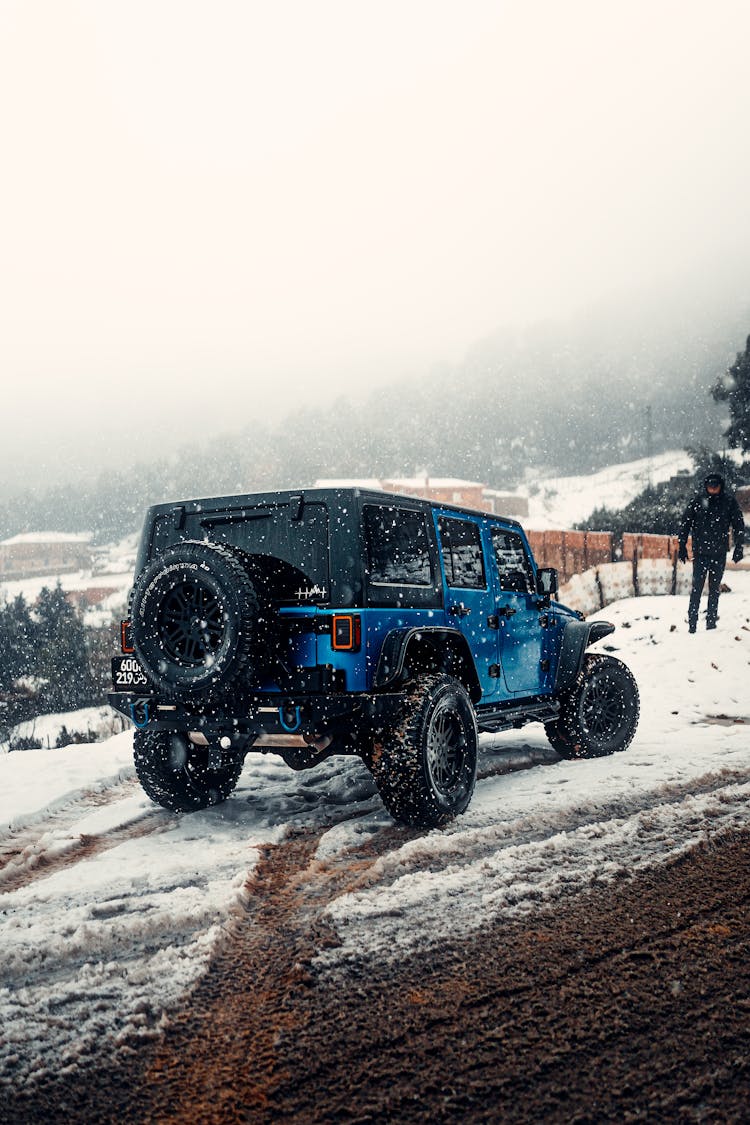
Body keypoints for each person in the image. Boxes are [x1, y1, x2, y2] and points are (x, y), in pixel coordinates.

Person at [677, 472, 745, 632]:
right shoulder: (698, 501)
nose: (712, 489)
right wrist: (681, 545)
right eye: (710, 486)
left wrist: (739, 547)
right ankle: (692, 625)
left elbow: (738, 524)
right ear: (706, 486)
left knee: (714, 589)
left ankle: (711, 623)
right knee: (697, 589)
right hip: (700, 553)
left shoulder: (728, 502)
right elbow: (685, 523)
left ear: (720, 486)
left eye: (715, 486)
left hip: (719, 553)